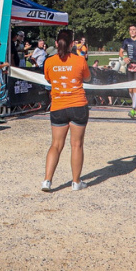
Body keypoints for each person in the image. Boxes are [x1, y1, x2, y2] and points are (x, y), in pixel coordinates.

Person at [42, 29, 91, 192]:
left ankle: (47, 181)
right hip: (78, 105)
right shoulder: (80, 60)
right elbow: (87, 77)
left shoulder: (49, 61)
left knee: (56, 145)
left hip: (58, 106)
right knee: (76, 145)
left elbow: (48, 78)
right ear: (72, 44)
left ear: (56, 43)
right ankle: (76, 182)